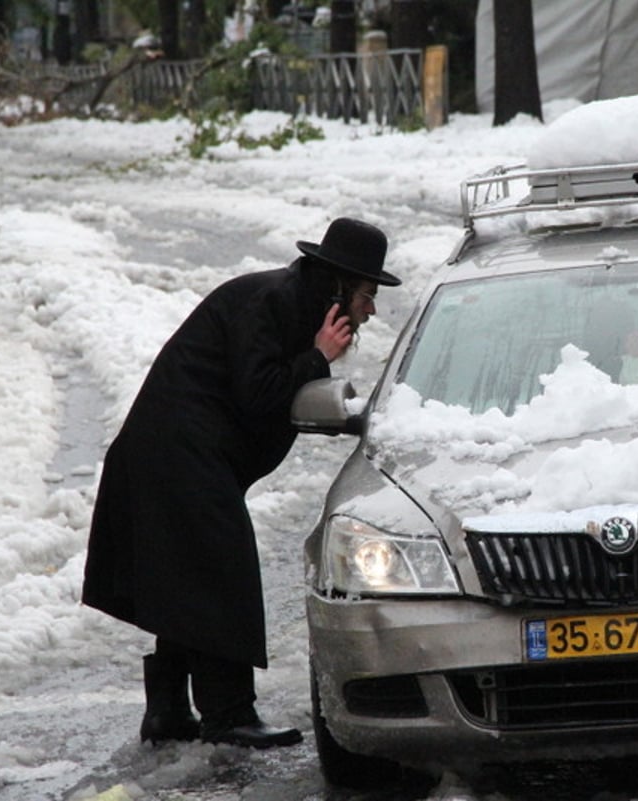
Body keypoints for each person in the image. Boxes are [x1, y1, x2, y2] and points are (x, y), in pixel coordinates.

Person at [82, 218, 401, 749]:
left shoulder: (296, 303)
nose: (371, 309)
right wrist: (318, 357)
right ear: (341, 284)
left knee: (189, 578)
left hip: (178, 453)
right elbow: (260, 393)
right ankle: (229, 713)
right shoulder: (274, 303)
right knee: (221, 572)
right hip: (175, 452)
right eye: (368, 294)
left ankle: (166, 712)